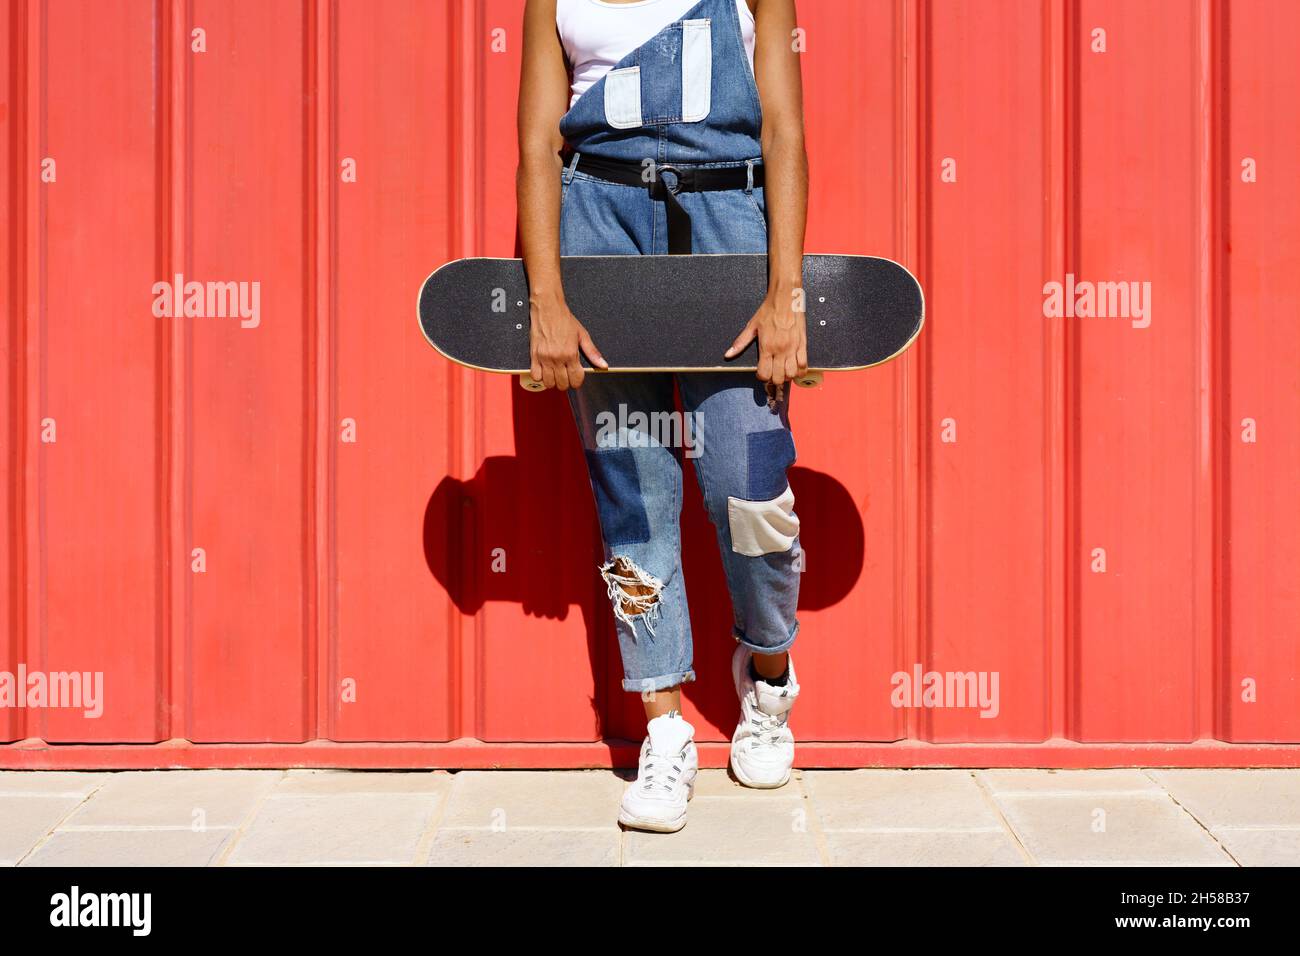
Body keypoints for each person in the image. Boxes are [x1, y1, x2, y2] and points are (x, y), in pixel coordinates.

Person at [517, 0, 808, 832]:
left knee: (747, 485)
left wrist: (785, 293)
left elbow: (783, 130)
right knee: (633, 497)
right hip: (597, 233)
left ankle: (771, 670)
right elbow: (539, 143)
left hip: (728, 230)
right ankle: (666, 728)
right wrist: (548, 299)